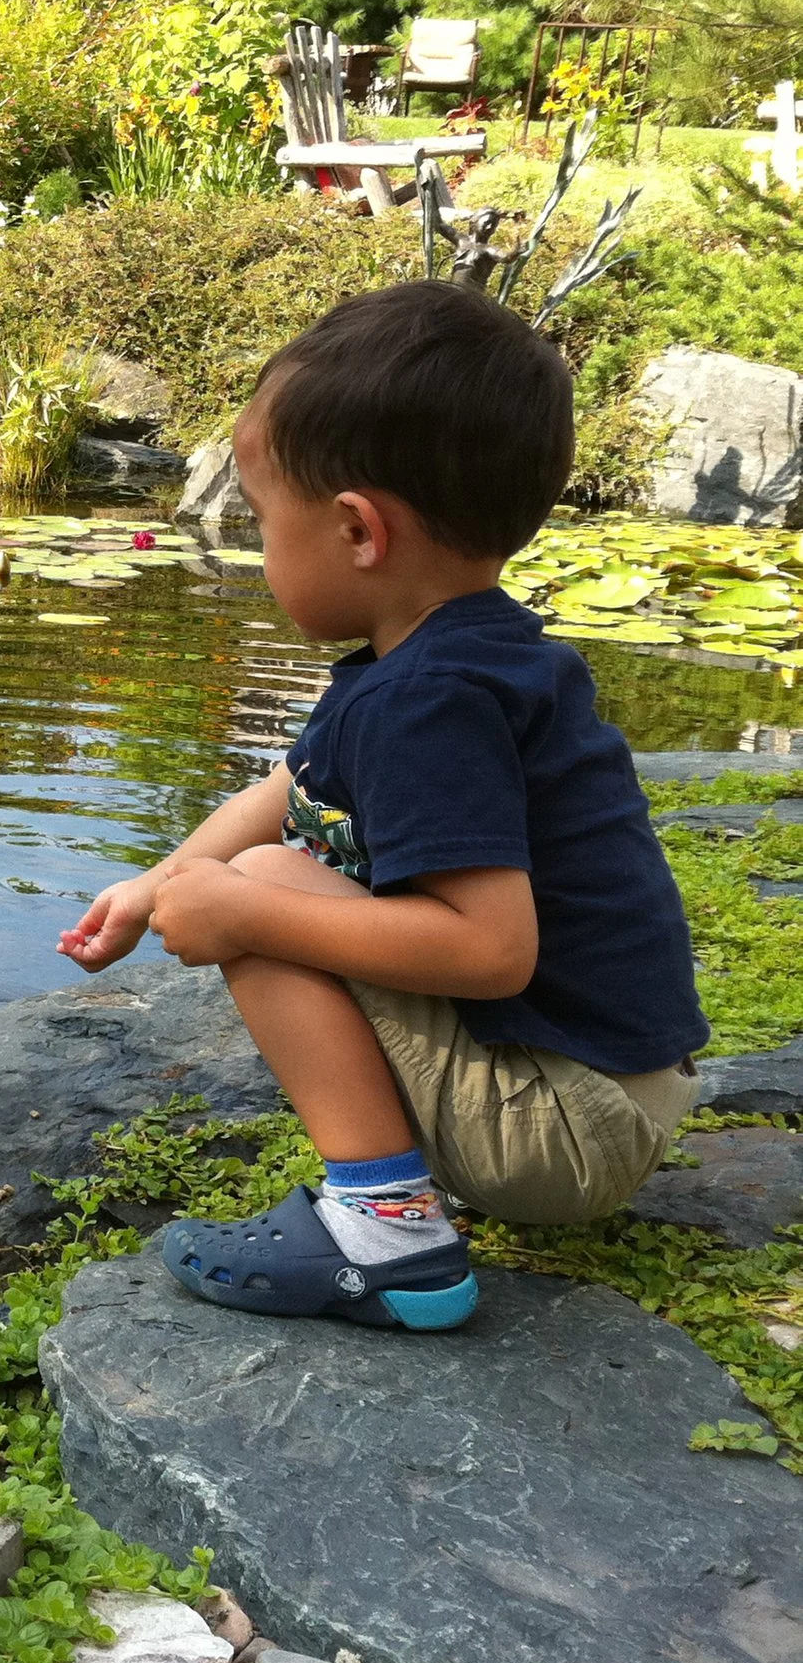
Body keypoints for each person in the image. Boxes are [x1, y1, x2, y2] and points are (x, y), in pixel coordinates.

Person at [57, 280, 708, 1331]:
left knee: (262, 889)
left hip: (564, 1126)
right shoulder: (459, 653)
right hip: (608, 1092)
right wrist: (155, 883)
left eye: (265, 521)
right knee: (249, 869)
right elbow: (285, 791)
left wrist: (243, 912)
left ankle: (389, 1230)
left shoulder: (426, 702)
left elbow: (491, 950)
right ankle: (392, 1199)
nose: (254, 551)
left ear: (357, 530)